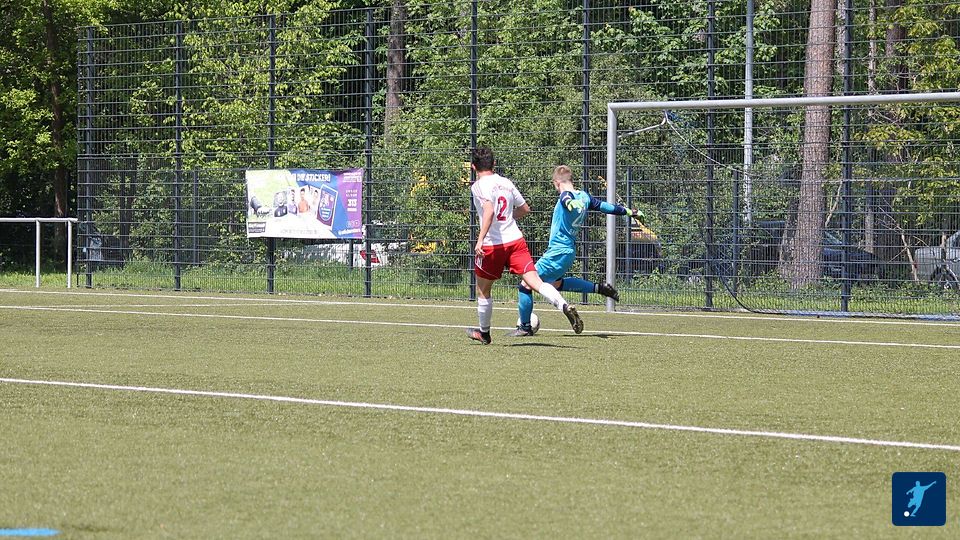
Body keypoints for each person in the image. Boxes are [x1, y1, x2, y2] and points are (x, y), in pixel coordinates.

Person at [510, 164, 645, 336]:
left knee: (526, 284)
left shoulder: (566, 196)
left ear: (557, 182)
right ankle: (599, 288)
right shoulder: (584, 197)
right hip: (568, 252)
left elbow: (565, 198)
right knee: (556, 283)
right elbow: (605, 207)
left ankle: (525, 327)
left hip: (557, 251)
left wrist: (569, 202)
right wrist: (629, 211)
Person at [466, 147, 583, 344]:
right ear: (494, 164)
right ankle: (563, 305)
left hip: (492, 245)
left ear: (473, 167)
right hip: (515, 240)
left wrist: (480, 239)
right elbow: (525, 209)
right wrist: (507, 219)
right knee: (535, 281)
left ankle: (484, 333)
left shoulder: (477, 186)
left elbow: (489, 211)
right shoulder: (506, 183)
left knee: (483, 290)